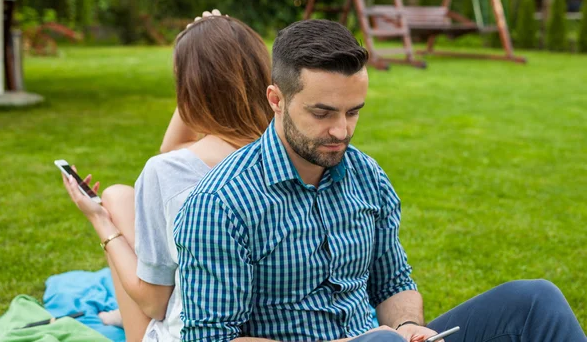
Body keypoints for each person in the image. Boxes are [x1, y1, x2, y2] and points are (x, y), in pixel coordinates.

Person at [173, 19, 586, 342]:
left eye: (353, 112)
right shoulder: (220, 204)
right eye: (323, 113)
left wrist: (408, 326)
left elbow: (394, 283)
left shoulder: (367, 176)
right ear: (276, 99)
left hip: (379, 340)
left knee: (536, 301)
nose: (341, 131)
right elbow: (212, 337)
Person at [61, 10, 273, 342]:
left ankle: (131, 324)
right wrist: (211, 43)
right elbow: (173, 147)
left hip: (194, 332)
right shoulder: (287, 152)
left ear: (189, 88)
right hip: (271, 323)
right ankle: (122, 312)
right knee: (120, 194)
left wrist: (99, 220)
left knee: (112, 205)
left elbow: (155, 303)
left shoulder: (168, 172)